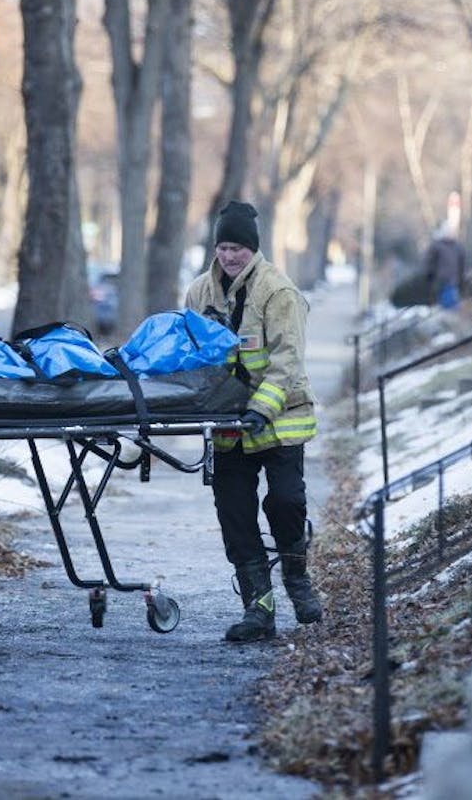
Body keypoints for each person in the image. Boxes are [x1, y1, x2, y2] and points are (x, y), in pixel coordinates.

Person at [184, 201, 323, 642]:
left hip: (279, 420)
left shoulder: (278, 293)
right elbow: (191, 356)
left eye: (238, 248)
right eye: (224, 247)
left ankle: (298, 582)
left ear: (253, 249)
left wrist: (260, 409)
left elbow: (287, 362)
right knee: (235, 514)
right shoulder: (199, 294)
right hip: (228, 425)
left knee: (285, 503)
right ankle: (258, 608)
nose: (230, 256)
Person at [423, 225, 466, 311]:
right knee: (446, 302)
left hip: (454, 279)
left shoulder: (457, 247)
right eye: (448, 232)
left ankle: (451, 318)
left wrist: (462, 276)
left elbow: (461, 263)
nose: (450, 234)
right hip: (441, 279)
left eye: (451, 232)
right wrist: (429, 273)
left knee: (452, 303)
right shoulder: (436, 246)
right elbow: (429, 261)